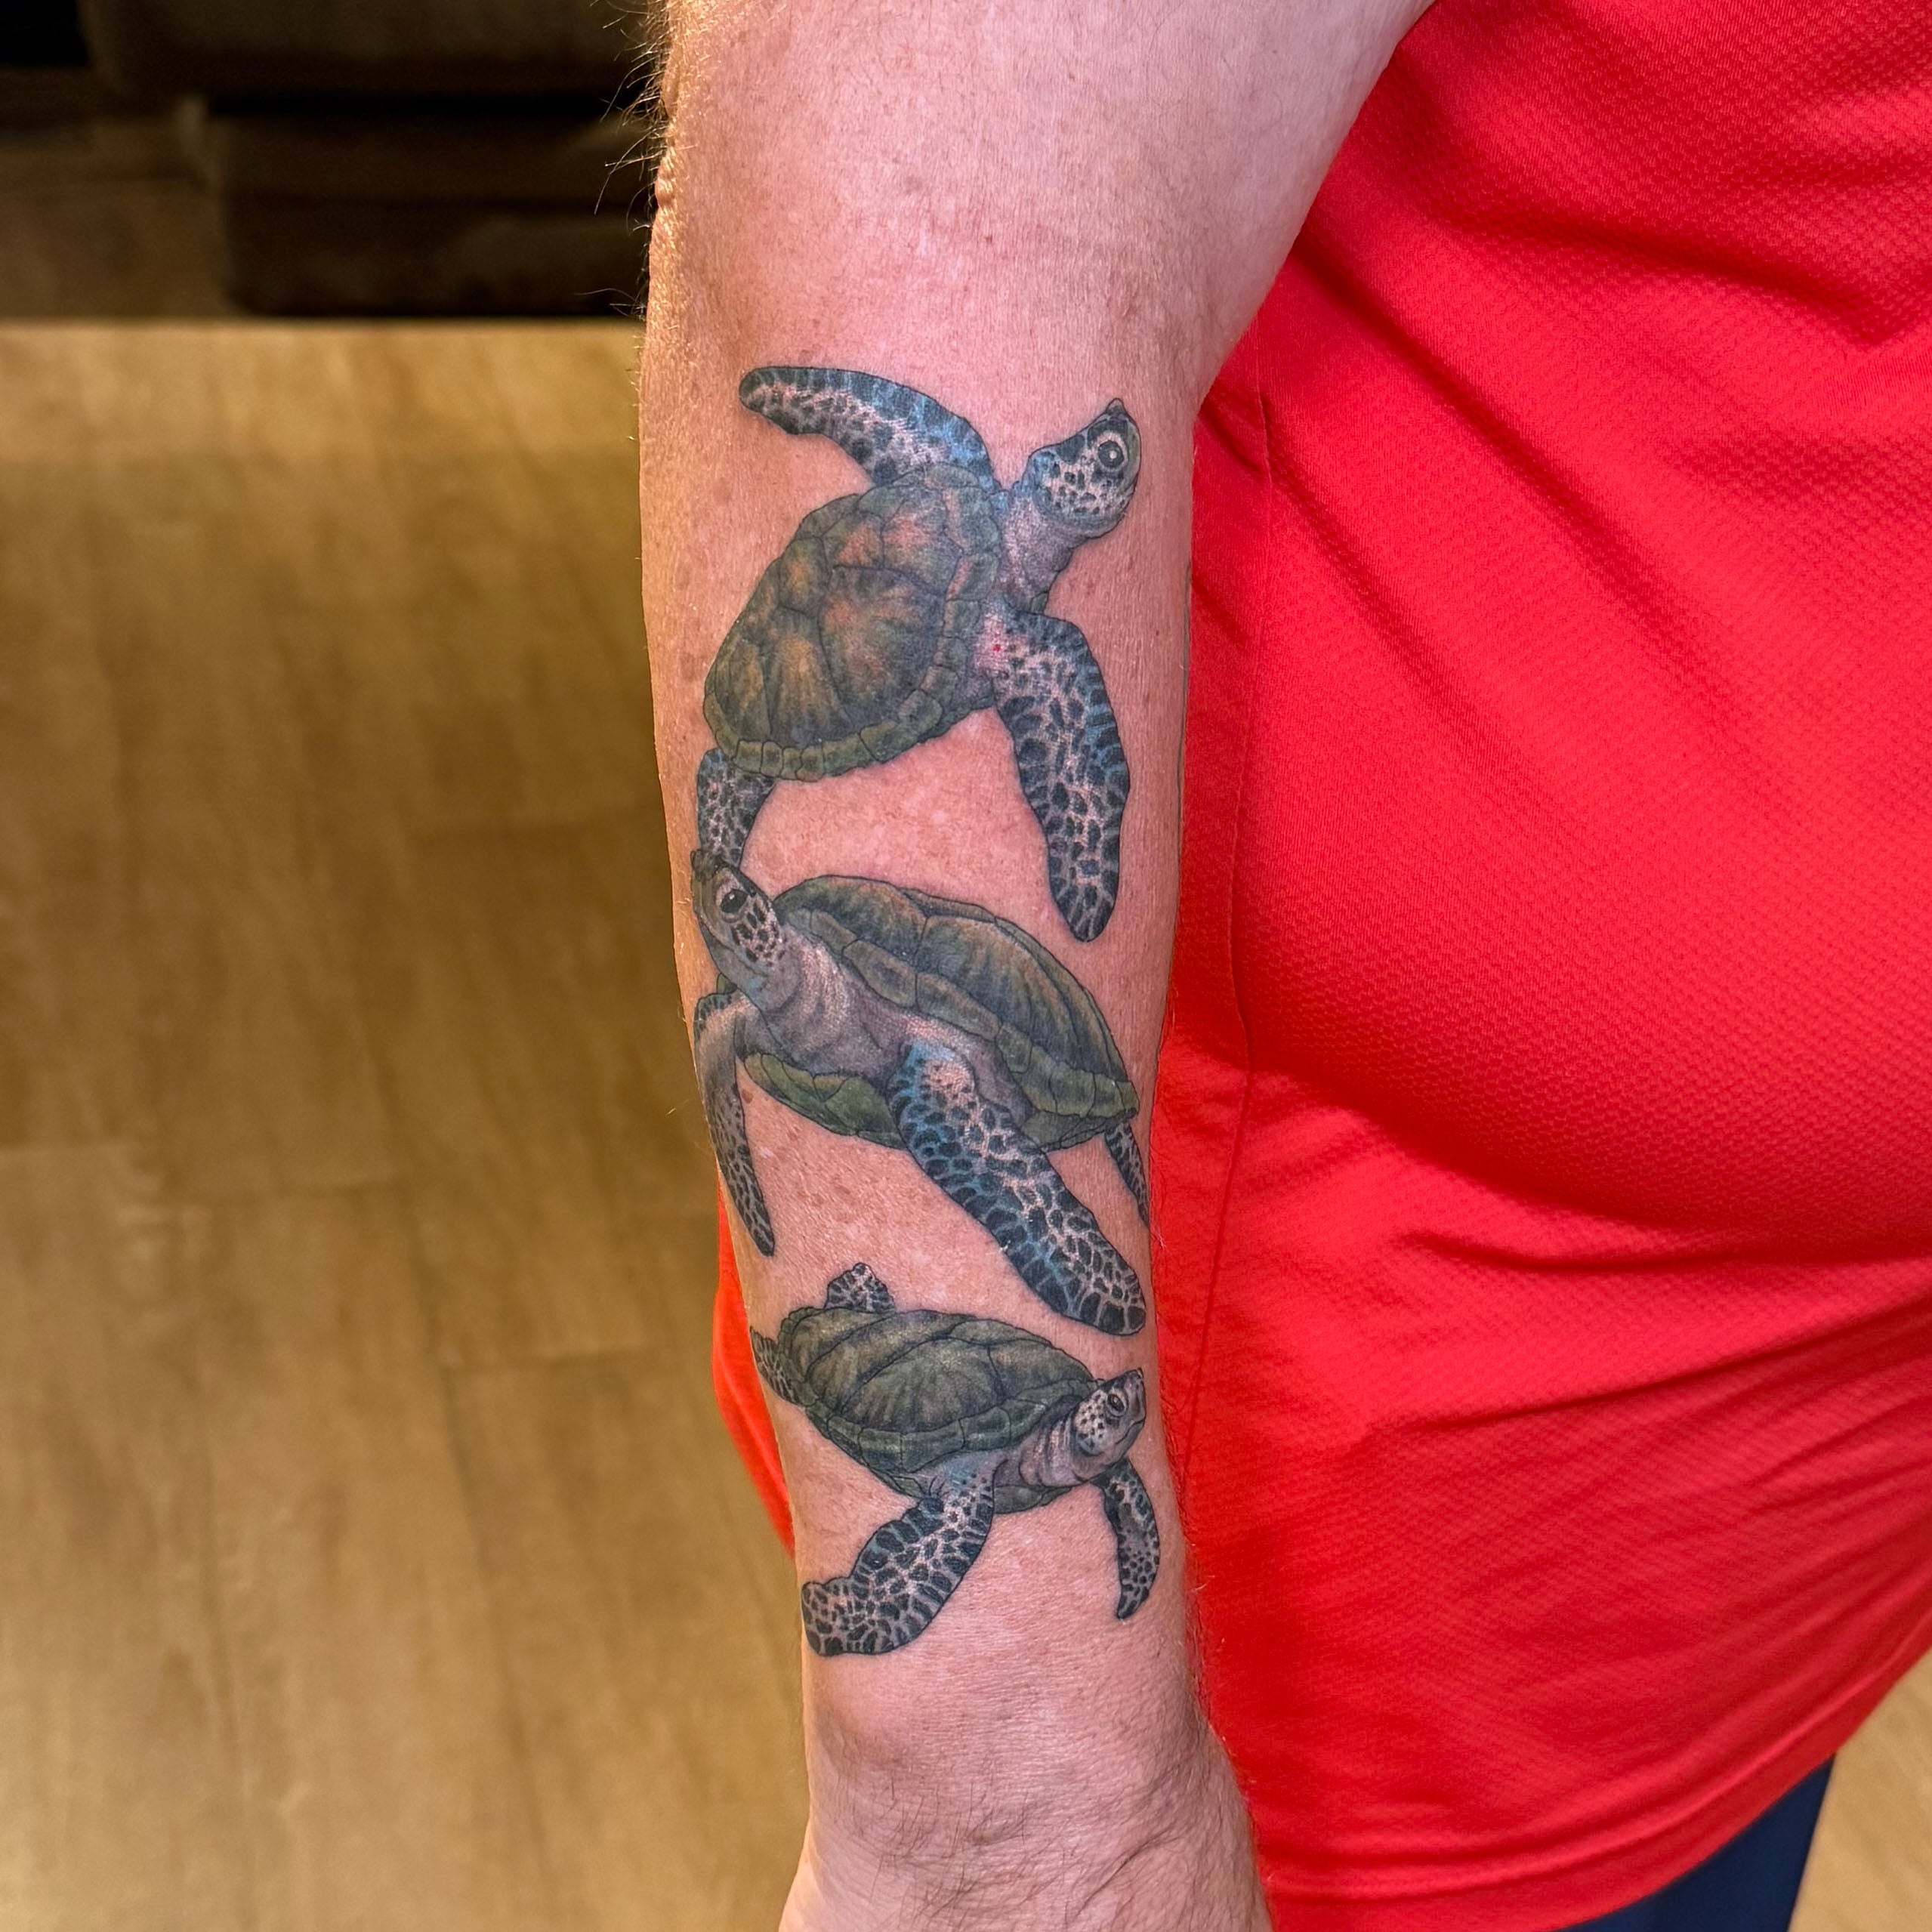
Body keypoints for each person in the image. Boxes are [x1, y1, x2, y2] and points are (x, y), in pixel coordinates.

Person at [637, 1, 1932, 1926]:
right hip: (1450, 1452)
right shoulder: (1004, 638)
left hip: (1801, 1481)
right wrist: (1017, 1828)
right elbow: (896, 212)